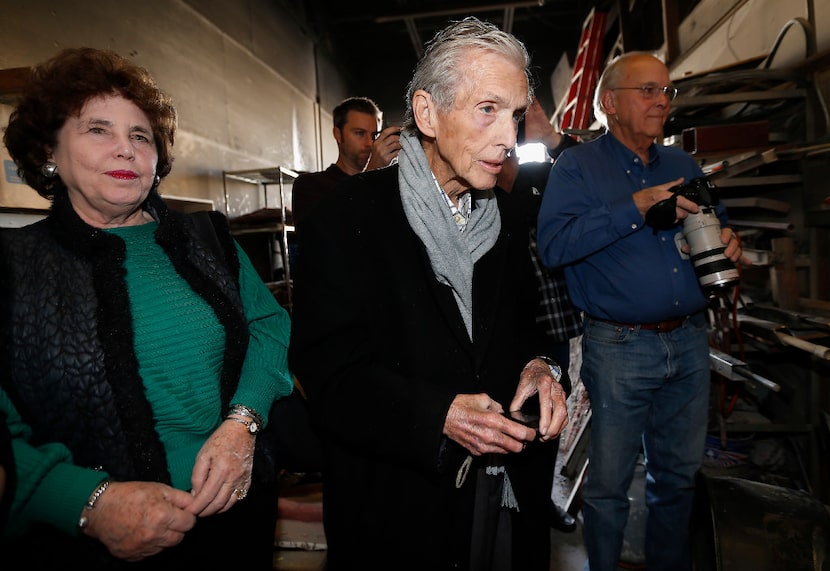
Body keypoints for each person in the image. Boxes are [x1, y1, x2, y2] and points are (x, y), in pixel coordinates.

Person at [289, 17, 569, 571]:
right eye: (487, 110)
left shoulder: (507, 219)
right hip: (400, 505)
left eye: (514, 115)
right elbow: (329, 375)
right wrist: (437, 414)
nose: (510, 139)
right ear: (427, 114)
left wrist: (540, 365)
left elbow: (527, 327)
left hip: (502, 492)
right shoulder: (346, 219)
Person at [0, 47, 294, 569]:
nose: (126, 150)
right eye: (98, 131)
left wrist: (242, 426)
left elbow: (270, 326)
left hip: (238, 515)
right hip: (87, 544)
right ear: (49, 150)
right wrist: (85, 503)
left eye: (140, 135)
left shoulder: (207, 239)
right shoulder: (13, 267)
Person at [536, 51, 745, 571]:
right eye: (647, 90)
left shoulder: (683, 165)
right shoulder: (578, 168)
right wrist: (634, 206)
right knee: (608, 486)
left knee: (675, 479)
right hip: (620, 346)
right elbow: (554, 247)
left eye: (666, 91)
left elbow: (718, 225)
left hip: (691, 342)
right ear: (609, 103)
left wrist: (729, 239)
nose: (661, 101)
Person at [498, 97, 582, 534]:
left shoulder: (539, 176)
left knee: (549, 422)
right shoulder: (478, 188)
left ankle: (540, 500)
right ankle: (511, 503)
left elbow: (581, 169)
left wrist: (552, 136)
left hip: (550, 329)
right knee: (510, 421)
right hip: (501, 336)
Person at [291, 95, 401, 228]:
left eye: (374, 135)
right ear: (338, 134)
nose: (369, 143)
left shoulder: (387, 186)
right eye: (359, 133)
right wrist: (370, 174)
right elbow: (320, 238)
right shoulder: (310, 185)